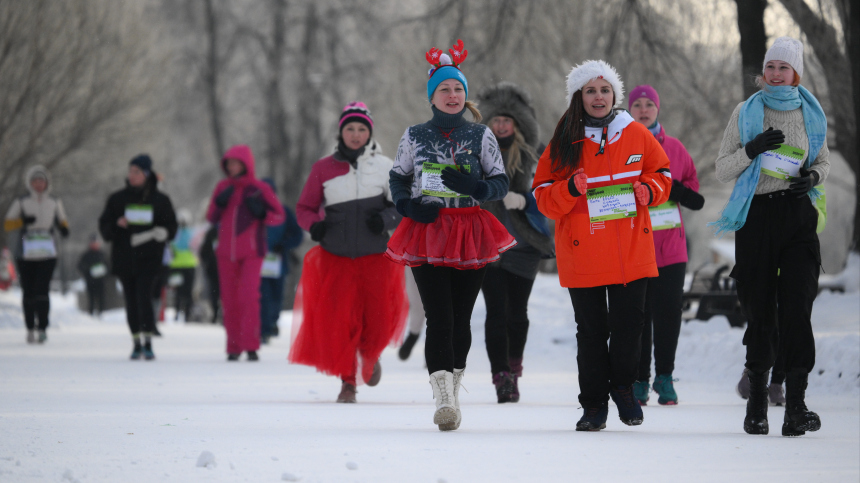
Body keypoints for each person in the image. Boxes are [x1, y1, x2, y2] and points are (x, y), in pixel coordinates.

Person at [532, 60, 672, 431]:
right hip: (583, 252)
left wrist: (650, 190)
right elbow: (543, 196)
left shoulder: (637, 133)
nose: (598, 97)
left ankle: (623, 389)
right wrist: (570, 189)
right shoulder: (564, 138)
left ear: (615, 95)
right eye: (590, 90)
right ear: (579, 96)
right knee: (592, 332)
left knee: (630, 327)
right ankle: (593, 405)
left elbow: (663, 174)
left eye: (605, 90)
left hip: (631, 250)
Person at [386, 41, 514, 430]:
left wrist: (476, 187)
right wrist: (406, 206)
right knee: (438, 316)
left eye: (458, 88)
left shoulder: (481, 135)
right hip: (426, 229)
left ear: (465, 94)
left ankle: (453, 386)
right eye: (445, 89)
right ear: (432, 97)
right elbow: (398, 176)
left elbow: (501, 182)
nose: (453, 95)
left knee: (461, 318)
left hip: (470, 231)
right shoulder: (413, 135)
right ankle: (443, 397)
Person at [713, 37, 828, 437]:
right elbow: (722, 169)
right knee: (760, 308)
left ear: (795, 73)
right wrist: (751, 149)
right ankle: (757, 406)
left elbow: (823, 161)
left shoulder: (811, 113)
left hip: (798, 216)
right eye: (770, 67)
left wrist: (811, 177)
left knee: (798, 307)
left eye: (784, 67)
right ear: (762, 72)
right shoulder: (746, 111)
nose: (775, 74)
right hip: (757, 217)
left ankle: (795, 407)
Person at [289, 101, 408, 403]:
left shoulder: (385, 166)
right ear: (341, 132)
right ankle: (348, 383)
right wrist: (314, 225)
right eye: (350, 129)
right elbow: (304, 208)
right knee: (341, 323)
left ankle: (369, 357)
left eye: (361, 129)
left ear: (369, 133)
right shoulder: (323, 168)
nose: (355, 134)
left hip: (376, 258)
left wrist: (384, 219)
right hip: (336, 258)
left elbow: (402, 206)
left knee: (378, 319)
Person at [476, 82, 554, 403]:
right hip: (488, 244)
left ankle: (514, 366)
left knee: (517, 313)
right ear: (488, 123)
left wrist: (525, 200)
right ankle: (500, 377)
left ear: (519, 123)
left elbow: (552, 192)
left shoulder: (538, 154)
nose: (501, 126)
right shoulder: (475, 152)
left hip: (524, 244)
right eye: (495, 120)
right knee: (495, 311)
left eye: (507, 120)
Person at [627, 85, 705, 406]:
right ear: (629, 111)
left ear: (658, 109)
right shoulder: (623, 146)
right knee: (639, 315)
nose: (644, 110)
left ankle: (665, 378)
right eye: (637, 105)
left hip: (671, 247)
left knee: (669, 313)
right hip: (634, 245)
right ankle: (639, 380)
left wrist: (668, 188)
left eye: (649, 104)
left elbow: (696, 198)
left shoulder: (674, 148)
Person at [206, 145, 285, 361]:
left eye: (236, 162)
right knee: (229, 300)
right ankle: (233, 347)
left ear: (246, 164)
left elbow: (278, 216)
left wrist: (261, 213)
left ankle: (251, 344)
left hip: (252, 251)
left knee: (248, 297)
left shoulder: (258, 188)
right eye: (228, 163)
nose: (232, 167)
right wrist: (219, 204)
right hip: (225, 253)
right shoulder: (222, 187)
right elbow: (211, 217)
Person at [99, 155, 177, 359]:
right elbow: (104, 228)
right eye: (130, 171)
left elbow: (172, 227)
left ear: (147, 174)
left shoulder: (160, 200)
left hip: (150, 259)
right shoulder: (117, 199)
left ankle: (148, 341)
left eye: (137, 172)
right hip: (124, 258)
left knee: (144, 298)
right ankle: (136, 342)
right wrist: (117, 224)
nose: (132, 175)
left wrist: (164, 232)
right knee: (131, 300)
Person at [4, 165, 70, 343]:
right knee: (29, 291)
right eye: (35, 181)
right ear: (30, 183)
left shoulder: (54, 201)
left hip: (48, 252)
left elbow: (62, 221)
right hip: (26, 253)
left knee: (42, 290)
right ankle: (29, 327)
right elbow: (8, 225)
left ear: (47, 183)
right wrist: (22, 221)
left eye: (42, 180)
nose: (39, 184)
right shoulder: (22, 201)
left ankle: (42, 327)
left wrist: (64, 229)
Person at [259, 178, 303, 344]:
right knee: (263, 296)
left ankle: (271, 323)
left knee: (276, 296)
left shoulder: (283, 212)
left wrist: (283, 245)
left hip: (278, 263)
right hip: (258, 263)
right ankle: (264, 328)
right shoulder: (255, 212)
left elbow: (297, 235)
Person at [168, 209, 198, 321]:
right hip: (190, 265)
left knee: (177, 290)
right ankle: (187, 313)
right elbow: (196, 247)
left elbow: (170, 248)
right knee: (188, 291)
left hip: (176, 266)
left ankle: (177, 311)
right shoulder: (192, 233)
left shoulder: (174, 234)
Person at [397, 267, 426, 361]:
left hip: (442, 256)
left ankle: (436, 348)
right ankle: (414, 332)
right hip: (413, 257)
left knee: (439, 303)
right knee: (416, 301)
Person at [76, 233, 108, 317]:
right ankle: (91, 312)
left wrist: (104, 272)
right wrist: (88, 272)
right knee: (91, 297)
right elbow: (80, 266)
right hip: (90, 280)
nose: (95, 244)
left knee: (101, 297)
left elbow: (107, 266)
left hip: (100, 280)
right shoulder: (86, 255)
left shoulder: (102, 254)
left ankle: (101, 312)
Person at [199, 223, 220, 323]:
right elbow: (204, 251)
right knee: (215, 292)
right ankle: (216, 313)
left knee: (215, 292)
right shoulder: (212, 232)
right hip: (214, 269)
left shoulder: (212, 231)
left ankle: (218, 313)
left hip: (216, 268)